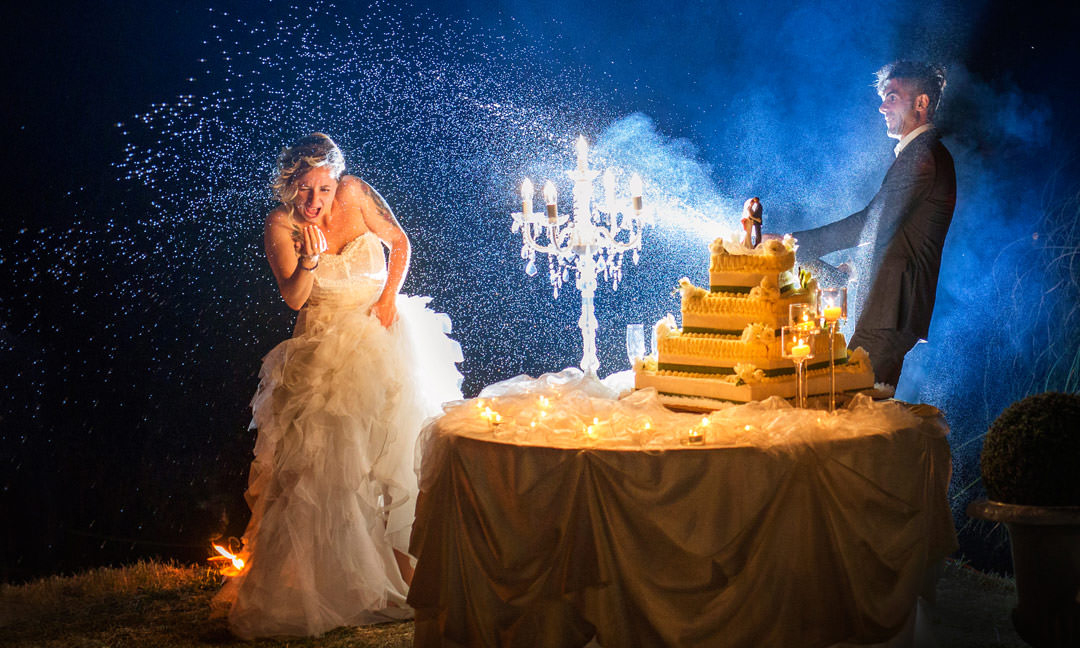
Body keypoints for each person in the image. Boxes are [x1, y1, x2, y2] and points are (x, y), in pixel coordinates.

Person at [213, 133, 463, 638]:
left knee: (396, 457)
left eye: (323, 189)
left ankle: (412, 573)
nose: (315, 202)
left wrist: (390, 298)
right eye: (305, 190)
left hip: (384, 330)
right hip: (324, 349)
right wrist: (309, 258)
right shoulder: (281, 224)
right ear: (289, 187)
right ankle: (334, 581)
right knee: (330, 467)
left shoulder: (355, 194)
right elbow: (294, 298)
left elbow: (399, 242)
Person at [789, 61, 956, 387]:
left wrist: (790, 243)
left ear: (921, 103)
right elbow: (895, 233)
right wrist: (852, 269)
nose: (882, 106)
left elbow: (871, 222)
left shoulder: (922, 155)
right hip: (890, 307)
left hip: (892, 309)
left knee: (852, 406)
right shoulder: (922, 153)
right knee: (861, 406)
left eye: (892, 97)